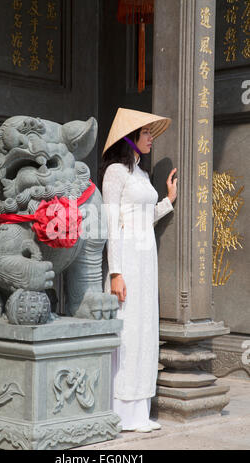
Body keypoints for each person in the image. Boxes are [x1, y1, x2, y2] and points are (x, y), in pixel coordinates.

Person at [100, 108, 177, 433]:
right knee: (127, 330)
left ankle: (140, 410)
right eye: (145, 133)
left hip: (147, 260)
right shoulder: (115, 172)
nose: (150, 139)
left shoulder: (143, 176)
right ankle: (121, 410)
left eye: (150, 133)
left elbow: (143, 219)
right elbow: (111, 225)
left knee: (145, 329)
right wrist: (116, 272)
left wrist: (169, 200)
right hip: (127, 260)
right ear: (130, 137)